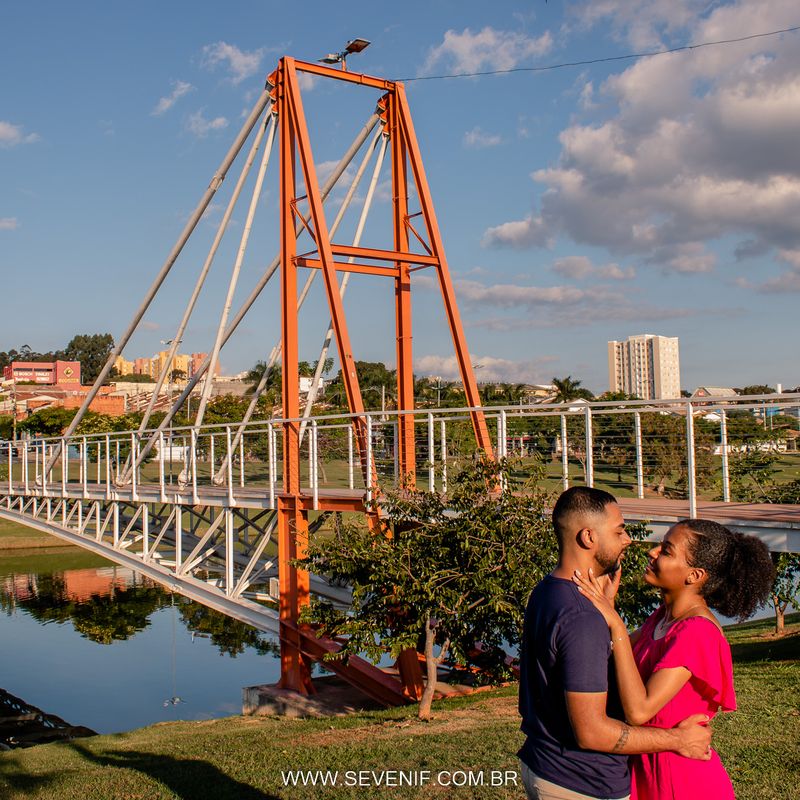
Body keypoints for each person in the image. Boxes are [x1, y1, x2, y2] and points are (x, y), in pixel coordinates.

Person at [519, 487, 713, 800]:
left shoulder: (548, 590)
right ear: (588, 538)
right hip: (580, 783)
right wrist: (678, 740)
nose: (628, 540)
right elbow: (592, 732)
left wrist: (608, 610)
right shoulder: (584, 618)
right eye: (619, 530)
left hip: (546, 764)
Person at [573, 518, 775, 799]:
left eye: (666, 551)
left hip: (679, 779)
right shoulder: (662, 617)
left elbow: (639, 711)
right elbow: (611, 660)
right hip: (645, 767)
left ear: (694, 575)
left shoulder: (697, 632)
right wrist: (607, 607)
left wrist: (617, 624)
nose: (652, 552)